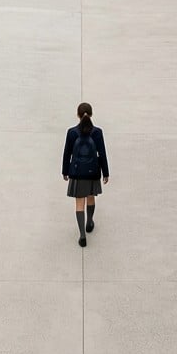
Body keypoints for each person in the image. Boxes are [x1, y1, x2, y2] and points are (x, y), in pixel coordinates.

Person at [61, 101, 109, 247]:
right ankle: (89, 222)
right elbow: (102, 154)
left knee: (79, 203)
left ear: (78, 114)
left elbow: (67, 154)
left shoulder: (72, 132)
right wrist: (105, 173)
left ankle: (82, 235)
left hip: (77, 173)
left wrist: (65, 171)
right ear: (91, 114)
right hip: (92, 171)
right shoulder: (97, 132)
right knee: (91, 197)